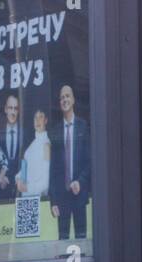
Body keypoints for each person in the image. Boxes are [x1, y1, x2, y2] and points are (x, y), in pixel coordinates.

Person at [49, 84, 91, 240]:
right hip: (61, 198)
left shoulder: (83, 126)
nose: (64, 99)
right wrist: (53, 201)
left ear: (73, 100)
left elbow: (90, 162)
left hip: (79, 195)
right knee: (63, 243)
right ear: (60, 103)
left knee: (82, 241)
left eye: (67, 96)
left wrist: (80, 181)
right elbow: (52, 169)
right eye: (61, 97)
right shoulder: (55, 131)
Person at [17, 108, 52, 198]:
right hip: (25, 197)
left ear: (46, 120)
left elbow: (46, 183)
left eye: (41, 117)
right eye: (35, 117)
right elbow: (24, 171)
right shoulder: (30, 147)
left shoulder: (46, 145)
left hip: (38, 199)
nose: (38, 120)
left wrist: (27, 188)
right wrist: (18, 179)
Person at [0, 93, 24, 196]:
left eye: (15, 108)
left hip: (21, 188)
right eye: (10, 108)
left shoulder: (24, 134)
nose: (13, 112)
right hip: (2, 189)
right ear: (5, 109)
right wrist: (0, 177)